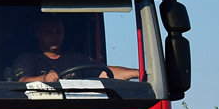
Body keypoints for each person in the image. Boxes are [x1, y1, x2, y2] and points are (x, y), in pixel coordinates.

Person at [10, 15, 139, 83]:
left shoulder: (77, 59)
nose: (55, 35)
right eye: (49, 32)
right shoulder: (27, 58)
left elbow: (105, 72)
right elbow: (23, 80)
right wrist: (44, 79)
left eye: (58, 31)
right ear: (38, 34)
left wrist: (136, 73)